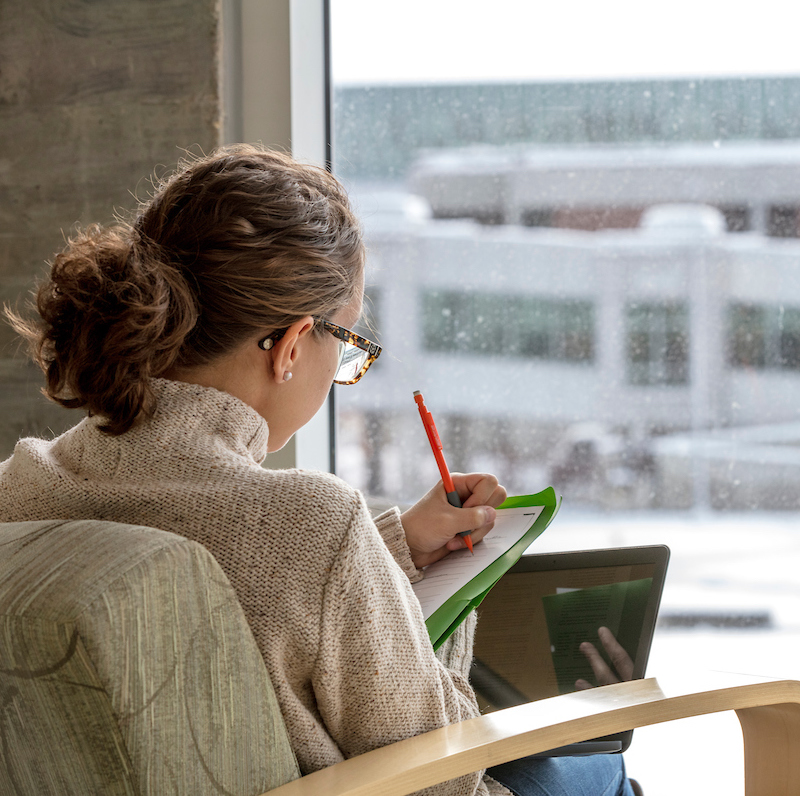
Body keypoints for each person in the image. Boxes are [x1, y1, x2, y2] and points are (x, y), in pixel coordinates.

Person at [0, 144, 637, 796]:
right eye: (348, 341)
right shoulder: (312, 525)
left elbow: (232, 575)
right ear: (295, 345)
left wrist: (384, 550)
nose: (341, 371)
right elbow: (445, 780)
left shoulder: (19, 485)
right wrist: (451, 597)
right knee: (596, 764)